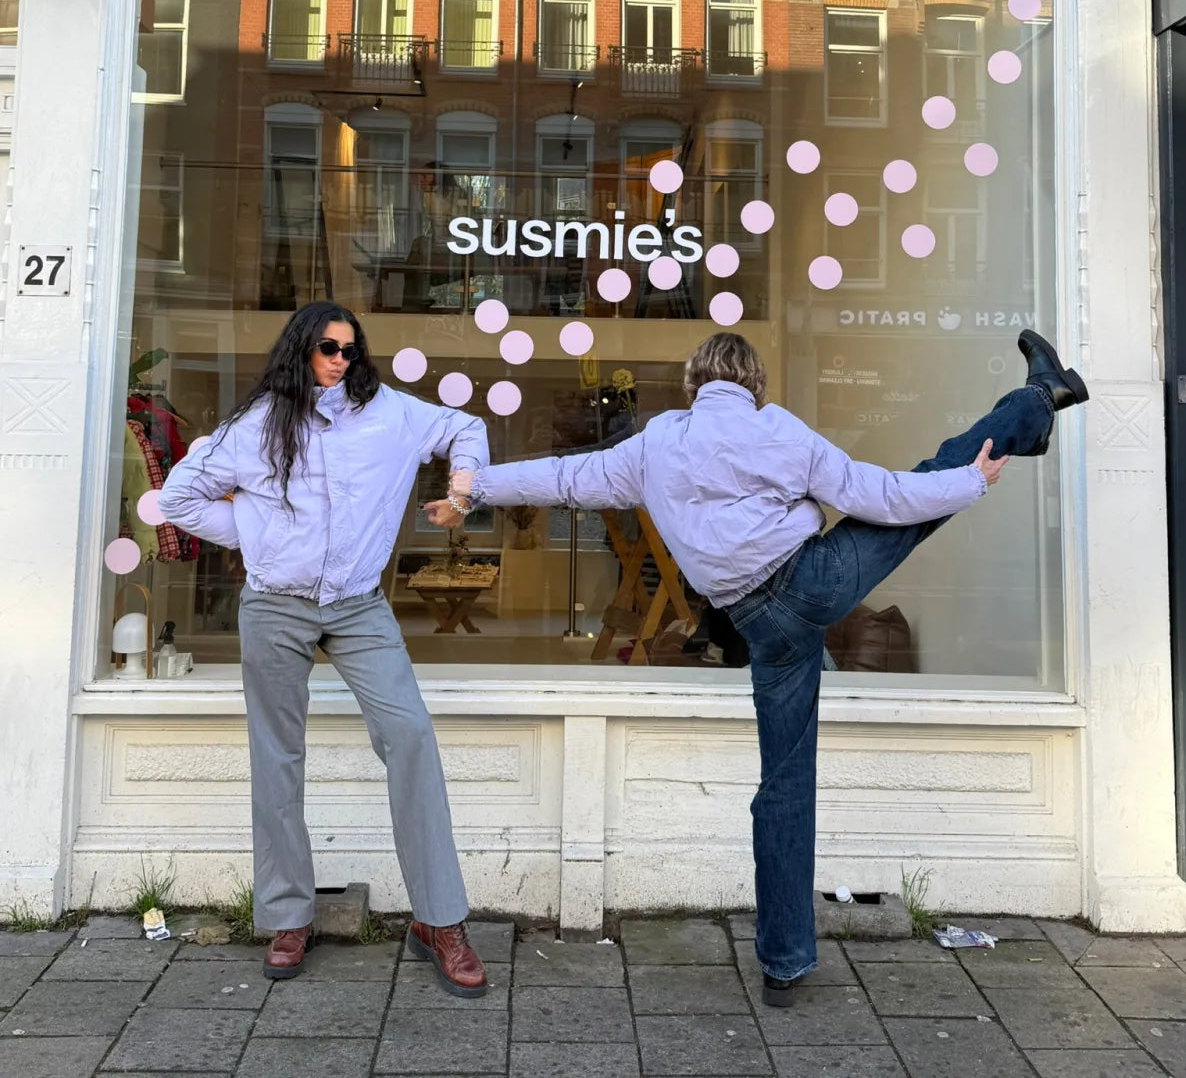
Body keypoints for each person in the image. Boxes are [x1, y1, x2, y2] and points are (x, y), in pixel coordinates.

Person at [426, 328, 1087, 1007]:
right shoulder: (778, 430)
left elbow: (565, 478)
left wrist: (475, 488)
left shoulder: (654, 445)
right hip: (814, 582)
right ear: (754, 383)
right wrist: (971, 483)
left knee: (783, 785)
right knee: (927, 480)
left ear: (695, 384)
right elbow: (880, 497)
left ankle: (785, 966)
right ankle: (1036, 402)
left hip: (757, 624)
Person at [161, 301, 489, 994]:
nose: (342, 359)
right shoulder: (256, 425)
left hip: (359, 605)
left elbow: (465, 426)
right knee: (277, 756)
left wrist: (461, 490)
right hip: (275, 605)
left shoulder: (391, 414)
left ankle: (439, 918)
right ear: (300, 351)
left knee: (410, 735)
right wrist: (257, 535)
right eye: (328, 348)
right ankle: (287, 915)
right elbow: (180, 496)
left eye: (350, 348)